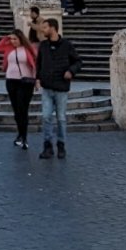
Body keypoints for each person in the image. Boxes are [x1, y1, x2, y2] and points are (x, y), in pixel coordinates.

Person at [35, 18, 82, 160]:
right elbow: (39, 63)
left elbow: (78, 61)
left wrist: (71, 71)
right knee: (46, 117)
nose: (42, 30)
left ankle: (61, 145)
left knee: (61, 118)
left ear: (53, 28)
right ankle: (47, 146)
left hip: (61, 87)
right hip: (47, 87)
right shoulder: (43, 46)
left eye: (44, 28)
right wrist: (37, 79)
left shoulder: (67, 45)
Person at [0, 29, 36, 150]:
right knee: (16, 109)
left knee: (23, 108)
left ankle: (24, 136)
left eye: (15, 39)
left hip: (26, 81)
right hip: (11, 81)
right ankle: (20, 133)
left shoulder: (29, 49)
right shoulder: (9, 48)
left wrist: (37, 79)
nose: (13, 41)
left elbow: (36, 62)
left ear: (21, 39)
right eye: (11, 39)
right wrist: (6, 38)